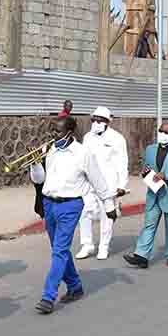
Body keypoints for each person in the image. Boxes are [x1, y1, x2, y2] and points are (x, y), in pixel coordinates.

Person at [29, 115, 116, 314]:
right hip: (49, 203)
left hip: (70, 205)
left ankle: (48, 296)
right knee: (59, 249)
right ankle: (75, 286)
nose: (53, 134)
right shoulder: (49, 149)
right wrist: (35, 164)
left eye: (57, 131)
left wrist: (109, 204)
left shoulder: (82, 153)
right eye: (52, 130)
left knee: (59, 251)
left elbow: (98, 180)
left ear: (69, 133)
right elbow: (39, 179)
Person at [124, 120, 168, 266]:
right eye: (160, 131)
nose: (162, 134)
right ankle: (141, 255)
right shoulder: (150, 149)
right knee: (149, 224)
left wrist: (166, 176)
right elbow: (146, 167)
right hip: (153, 193)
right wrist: (146, 174)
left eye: (166, 132)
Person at [77, 106, 128, 260]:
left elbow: (122, 162)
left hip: (108, 183)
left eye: (100, 120)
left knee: (107, 216)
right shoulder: (87, 137)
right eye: (94, 120)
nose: (97, 123)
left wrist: (122, 185)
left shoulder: (117, 138)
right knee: (84, 212)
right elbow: (82, 160)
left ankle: (104, 246)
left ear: (107, 122)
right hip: (89, 184)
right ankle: (87, 244)